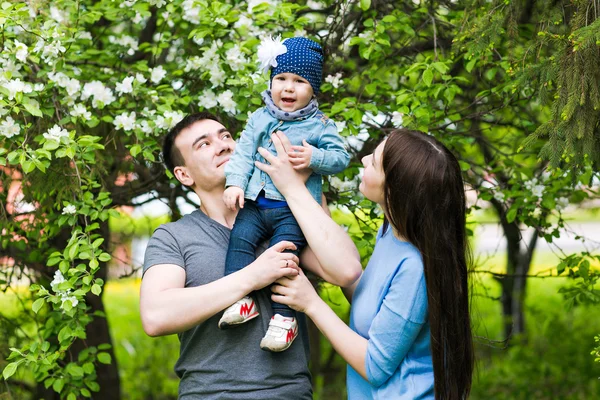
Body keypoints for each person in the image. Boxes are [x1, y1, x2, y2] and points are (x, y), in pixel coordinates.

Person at [140, 112, 361, 399]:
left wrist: (295, 189)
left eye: (226, 136)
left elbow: (347, 271)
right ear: (184, 174)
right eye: (203, 145)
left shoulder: (288, 220)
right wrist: (252, 276)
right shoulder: (175, 237)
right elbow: (155, 316)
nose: (222, 145)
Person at [256, 129, 474, 399]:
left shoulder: (415, 269)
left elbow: (375, 367)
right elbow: (371, 303)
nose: (364, 160)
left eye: (374, 163)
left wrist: (311, 303)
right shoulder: (392, 234)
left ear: (393, 189)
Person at [220, 36, 350, 352]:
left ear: (313, 89)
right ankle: (242, 301)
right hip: (255, 202)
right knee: (239, 241)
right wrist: (235, 183)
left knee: (285, 256)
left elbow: (341, 156)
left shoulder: (320, 125)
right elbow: (243, 153)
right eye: (281, 79)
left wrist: (314, 158)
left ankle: (284, 319)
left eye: (299, 81)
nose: (288, 88)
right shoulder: (259, 118)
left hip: (293, 209)